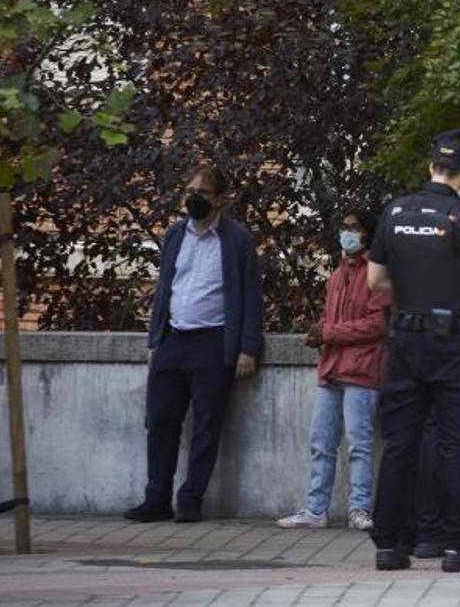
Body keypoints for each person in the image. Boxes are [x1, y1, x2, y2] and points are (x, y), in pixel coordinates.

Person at [366, 128, 460, 573]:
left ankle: (389, 544)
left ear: (431, 167)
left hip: (404, 338)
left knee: (400, 441)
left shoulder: (394, 212)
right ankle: (458, 544)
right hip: (451, 344)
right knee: (455, 443)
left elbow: (375, 281)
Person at [124, 163, 264, 524]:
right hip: (173, 339)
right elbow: (164, 288)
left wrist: (248, 348)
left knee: (206, 424)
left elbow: (250, 295)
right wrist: (156, 337)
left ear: (220, 200)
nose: (192, 198)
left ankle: (190, 499)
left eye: (201, 193)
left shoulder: (236, 240)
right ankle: (156, 497)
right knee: (159, 420)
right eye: (189, 191)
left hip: (213, 341)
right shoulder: (174, 236)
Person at [278, 208, 391, 531]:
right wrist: (321, 331)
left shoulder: (377, 273)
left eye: (354, 226)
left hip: (363, 369)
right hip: (332, 367)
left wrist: (329, 333)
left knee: (360, 443)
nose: (347, 232)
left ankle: (359, 509)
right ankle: (316, 509)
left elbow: (377, 323)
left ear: (368, 233)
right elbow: (335, 319)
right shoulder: (338, 274)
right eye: (344, 226)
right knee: (321, 442)